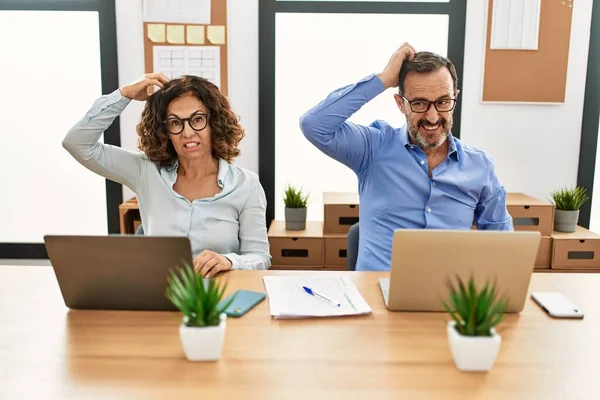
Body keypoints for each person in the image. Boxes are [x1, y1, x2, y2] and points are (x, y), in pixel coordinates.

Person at [299, 43, 513, 272]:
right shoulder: (373, 148)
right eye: (420, 103)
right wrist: (382, 79)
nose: (432, 117)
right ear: (400, 104)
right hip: (376, 298)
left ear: (454, 99)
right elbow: (314, 125)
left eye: (442, 102)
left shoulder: (480, 167)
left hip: (446, 301)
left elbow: (504, 248)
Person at [63, 73, 271, 277]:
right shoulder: (145, 170)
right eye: (175, 122)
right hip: (160, 298)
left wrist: (229, 261)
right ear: (164, 130)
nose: (187, 132)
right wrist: (124, 94)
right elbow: (77, 143)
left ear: (214, 123)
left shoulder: (246, 184)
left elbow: (260, 257)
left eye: (197, 119)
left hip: (220, 300)